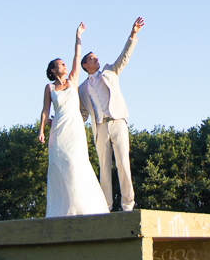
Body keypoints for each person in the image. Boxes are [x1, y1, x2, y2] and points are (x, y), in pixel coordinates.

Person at [38, 22, 109, 218]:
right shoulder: (49, 88)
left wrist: (78, 35)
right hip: (58, 131)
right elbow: (45, 110)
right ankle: (61, 210)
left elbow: (78, 56)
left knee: (76, 163)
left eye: (64, 63)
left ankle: (83, 208)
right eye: (60, 64)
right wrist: (41, 130)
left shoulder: (73, 80)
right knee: (59, 165)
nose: (64, 65)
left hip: (75, 129)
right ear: (53, 70)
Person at [78, 17, 144, 212]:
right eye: (92, 58)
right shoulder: (81, 89)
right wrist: (61, 123)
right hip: (99, 127)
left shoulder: (110, 71)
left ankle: (128, 205)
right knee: (104, 169)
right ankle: (105, 206)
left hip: (118, 122)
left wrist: (133, 34)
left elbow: (125, 57)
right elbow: (81, 115)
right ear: (85, 65)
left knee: (123, 163)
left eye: (97, 58)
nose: (97, 59)